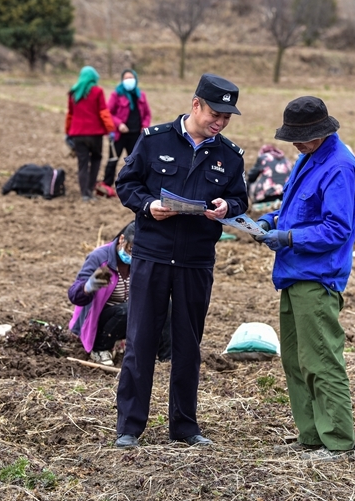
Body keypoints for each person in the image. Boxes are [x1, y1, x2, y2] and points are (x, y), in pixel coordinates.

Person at [113, 73, 248, 449]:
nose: (220, 122)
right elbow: (127, 185)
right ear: (195, 105)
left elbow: (240, 200)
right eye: (215, 114)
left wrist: (227, 207)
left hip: (196, 261)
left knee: (188, 345)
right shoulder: (154, 140)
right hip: (152, 255)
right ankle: (130, 426)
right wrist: (148, 205)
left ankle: (185, 426)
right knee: (141, 341)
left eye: (227, 117)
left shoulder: (230, 156)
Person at [255, 96, 355, 462]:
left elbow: (336, 229)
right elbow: (293, 204)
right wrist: (270, 221)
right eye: (293, 137)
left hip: (317, 277)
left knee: (320, 360)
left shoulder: (339, 167)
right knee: (295, 360)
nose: (296, 143)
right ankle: (311, 436)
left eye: (302, 136)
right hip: (292, 272)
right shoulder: (308, 157)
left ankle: (337, 441)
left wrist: (288, 238)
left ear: (321, 131)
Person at [67, 221, 171, 366]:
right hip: (98, 321)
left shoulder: (143, 261)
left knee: (164, 303)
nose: (134, 256)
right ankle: (100, 348)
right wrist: (89, 286)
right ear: (122, 240)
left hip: (128, 319)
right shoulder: (99, 257)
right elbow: (73, 295)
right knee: (128, 309)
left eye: (139, 252)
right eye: (131, 249)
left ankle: (167, 359)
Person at [65, 66, 116, 202]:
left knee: (82, 163)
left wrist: (67, 132)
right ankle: (89, 189)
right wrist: (110, 129)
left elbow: (70, 114)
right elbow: (103, 112)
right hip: (94, 134)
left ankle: (84, 194)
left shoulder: (74, 92)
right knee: (96, 159)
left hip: (77, 134)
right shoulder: (97, 91)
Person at [100, 69, 152, 196]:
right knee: (113, 159)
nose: (129, 80)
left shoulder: (141, 95)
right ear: (122, 80)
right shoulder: (116, 95)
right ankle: (106, 184)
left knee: (135, 161)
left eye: (131, 77)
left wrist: (144, 125)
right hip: (120, 134)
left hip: (136, 134)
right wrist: (119, 124)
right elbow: (108, 113)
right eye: (126, 78)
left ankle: (135, 185)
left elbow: (147, 114)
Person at [246, 144, 292, 211]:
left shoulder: (264, 157)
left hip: (267, 196)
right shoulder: (286, 159)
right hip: (285, 195)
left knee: (246, 182)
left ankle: (249, 206)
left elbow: (251, 176)